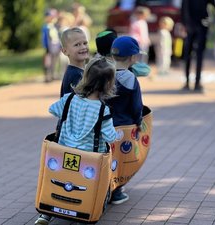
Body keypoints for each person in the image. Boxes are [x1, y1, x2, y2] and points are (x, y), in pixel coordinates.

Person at [35, 56, 118, 225]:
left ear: (85, 77)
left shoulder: (69, 99)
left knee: (56, 181)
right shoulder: (103, 110)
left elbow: (53, 109)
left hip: (63, 151)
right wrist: (117, 135)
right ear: (108, 84)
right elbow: (110, 136)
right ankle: (84, 213)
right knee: (87, 186)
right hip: (89, 158)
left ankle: (45, 214)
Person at [108, 36, 144, 204]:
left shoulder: (104, 74)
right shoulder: (131, 79)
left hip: (105, 125)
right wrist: (139, 122)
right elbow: (137, 106)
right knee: (121, 159)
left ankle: (104, 188)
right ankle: (117, 191)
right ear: (132, 58)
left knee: (107, 158)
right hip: (125, 127)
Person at [181, 0, 215, 92]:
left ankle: (187, 82)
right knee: (199, 54)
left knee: (188, 54)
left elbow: (183, 8)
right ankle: (197, 83)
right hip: (202, 25)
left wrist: (185, 23)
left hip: (190, 25)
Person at [59, 27, 89, 97]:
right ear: (65, 51)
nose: (83, 47)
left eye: (85, 43)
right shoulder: (76, 75)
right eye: (77, 45)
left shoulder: (79, 71)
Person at [41, 8, 61, 83]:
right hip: (49, 47)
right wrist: (46, 46)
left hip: (55, 46)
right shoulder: (46, 27)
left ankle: (53, 74)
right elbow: (44, 38)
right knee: (48, 61)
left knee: (54, 61)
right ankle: (47, 76)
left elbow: (57, 37)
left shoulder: (55, 26)